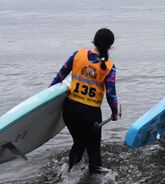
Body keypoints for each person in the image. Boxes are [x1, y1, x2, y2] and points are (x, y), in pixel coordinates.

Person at [51, 28, 119, 174]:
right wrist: (114, 113)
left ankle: (68, 176)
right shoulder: (109, 67)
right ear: (110, 46)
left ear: (93, 40)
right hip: (91, 114)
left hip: (70, 110)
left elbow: (59, 77)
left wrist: (48, 99)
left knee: (79, 143)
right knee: (94, 150)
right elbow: (111, 94)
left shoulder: (78, 55)